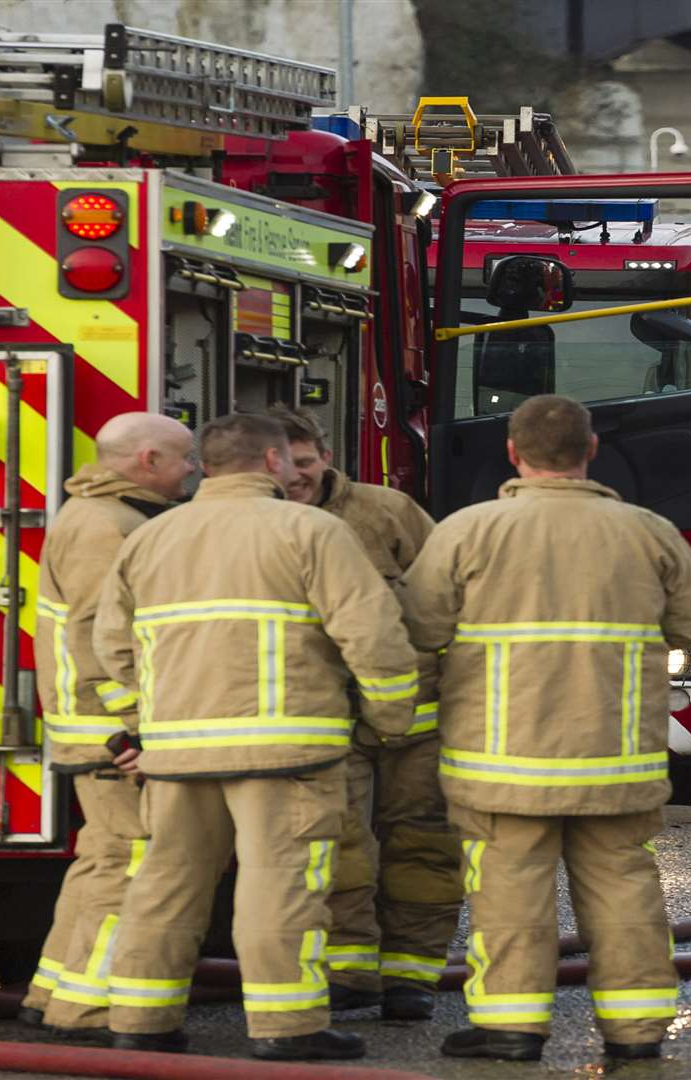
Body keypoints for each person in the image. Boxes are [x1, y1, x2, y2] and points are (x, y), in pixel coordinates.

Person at [90, 413, 421, 1060]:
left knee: (166, 884)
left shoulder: (152, 538)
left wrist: (142, 726)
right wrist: (389, 719)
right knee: (280, 887)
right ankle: (288, 1029)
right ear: (273, 461)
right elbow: (374, 637)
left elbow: (110, 646)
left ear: (207, 465)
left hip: (177, 754)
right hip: (287, 755)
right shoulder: (313, 531)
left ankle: (139, 1022)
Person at [401, 394, 691, 1063]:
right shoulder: (648, 532)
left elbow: (418, 632)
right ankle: (638, 1032)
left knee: (509, 897)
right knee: (625, 893)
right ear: (592, 450)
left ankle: (511, 1029)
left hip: (500, 762)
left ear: (512, 453)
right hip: (618, 761)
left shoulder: (465, 532)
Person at [268, 407, 461, 1022]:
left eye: (305, 462)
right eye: (283, 465)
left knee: (424, 842)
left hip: (417, 713)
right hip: (323, 718)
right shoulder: (256, 523)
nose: (296, 477)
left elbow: (446, 595)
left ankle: (413, 975)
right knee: (335, 844)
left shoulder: (387, 511)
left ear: (325, 455)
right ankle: (349, 969)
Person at [25, 412, 195, 1034]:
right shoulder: (107, 526)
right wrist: (135, 727)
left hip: (87, 726)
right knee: (130, 861)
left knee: (101, 857)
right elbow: (106, 637)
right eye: (185, 457)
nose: (194, 469)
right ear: (148, 460)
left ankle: (53, 990)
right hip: (107, 731)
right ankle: (88, 1005)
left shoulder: (101, 515)